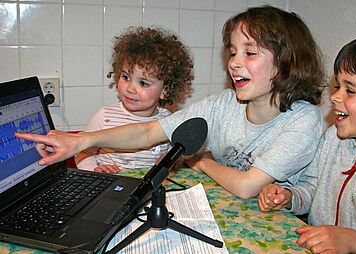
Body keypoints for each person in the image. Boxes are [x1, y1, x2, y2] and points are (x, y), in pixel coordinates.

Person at [16, 6, 325, 199]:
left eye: (250, 52)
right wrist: (79, 141)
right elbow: (149, 132)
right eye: (232, 52)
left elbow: (247, 187)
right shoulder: (222, 104)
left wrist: (202, 161)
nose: (234, 62)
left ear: (286, 63)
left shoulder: (303, 119)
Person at [258, 34, 356, 254]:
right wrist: (290, 197)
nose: (334, 97)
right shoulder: (333, 139)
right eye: (337, 86)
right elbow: (312, 188)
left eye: (350, 90)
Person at [74, 27, 194, 173]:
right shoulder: (105, 117)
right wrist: (95, 169)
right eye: (125, 77)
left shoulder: (168, 122)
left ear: (165, 90)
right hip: (112, 187)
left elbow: (178, 159)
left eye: (143, 83)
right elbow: (82, 152)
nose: (130, 89)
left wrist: (170, 162)